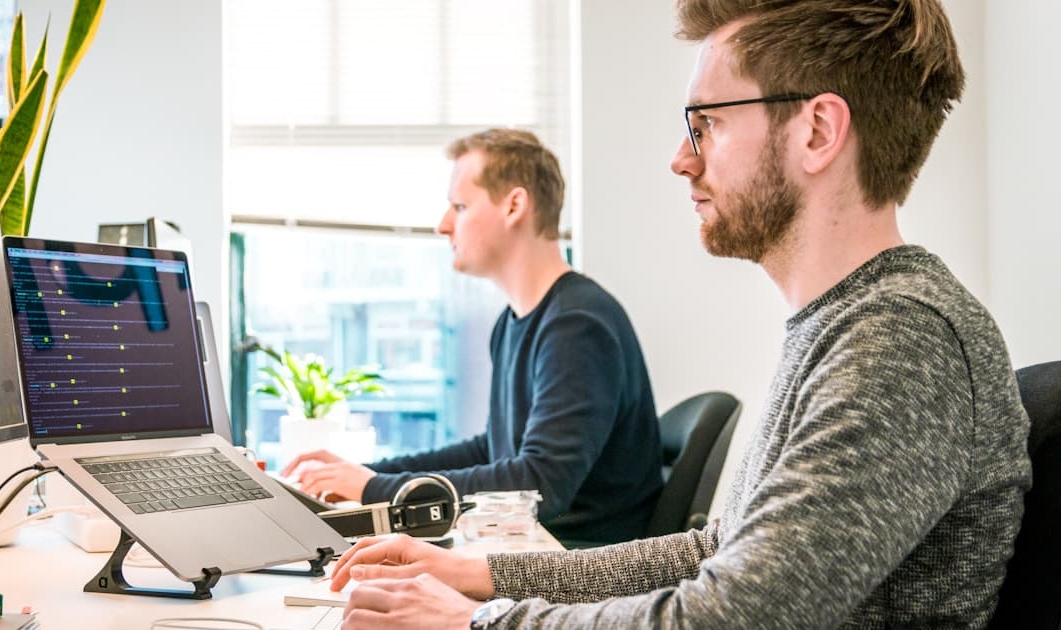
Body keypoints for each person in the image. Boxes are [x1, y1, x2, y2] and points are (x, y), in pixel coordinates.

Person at [323, 1, 1032, 628]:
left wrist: (479, 623)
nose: (680, 160)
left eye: (706, 125)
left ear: (817, 131)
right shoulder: (845, 324)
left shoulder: (900, 340)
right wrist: (479, 575)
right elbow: (715, 552)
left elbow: (734, 616)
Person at [282, 128, 665, 544]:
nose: (442, 225)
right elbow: (494, 450)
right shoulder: (516, 322)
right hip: (536, 549)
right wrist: (372, 474)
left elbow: (540, 485)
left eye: (460, 206)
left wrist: (374, 490)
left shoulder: (577, 325)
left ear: (514, 206)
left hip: (576, 564)